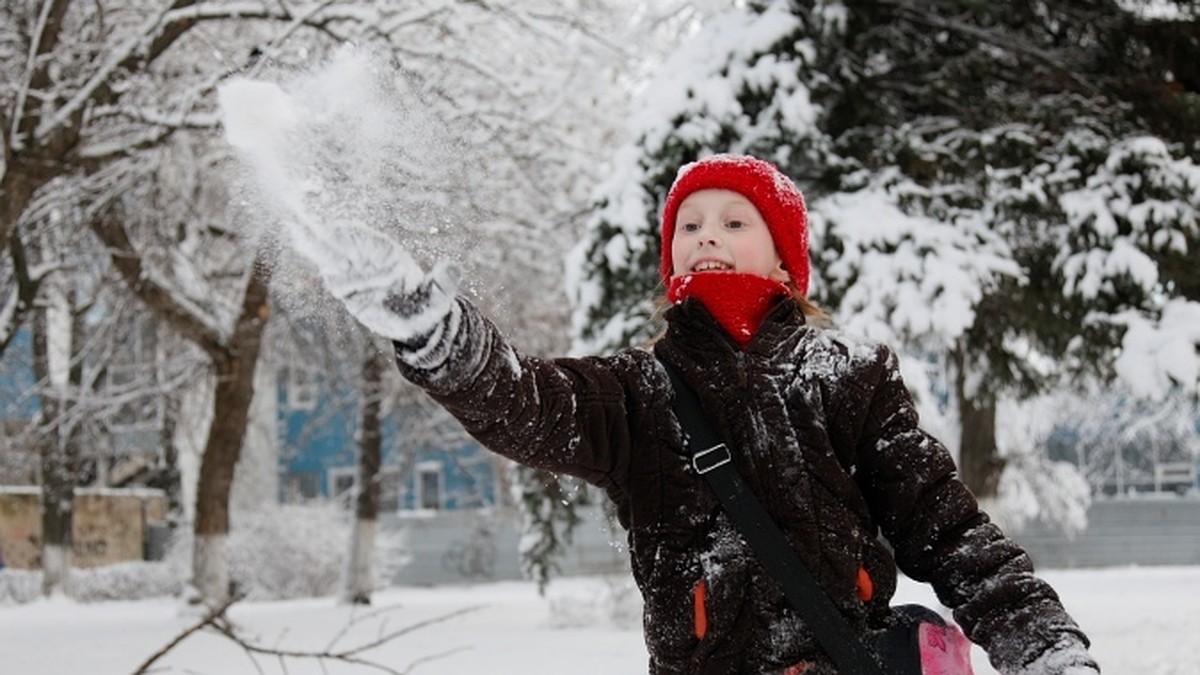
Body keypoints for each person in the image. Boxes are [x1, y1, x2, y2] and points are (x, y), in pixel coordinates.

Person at [302, 154, 1099, 674]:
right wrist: (437, 333)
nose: (704, 236)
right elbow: (524, 403)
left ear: (785, 257)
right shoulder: (638, 392)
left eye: (732, 221)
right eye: (688, 225)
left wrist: (1043, 642)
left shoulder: (851, 377)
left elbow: (948, 528)